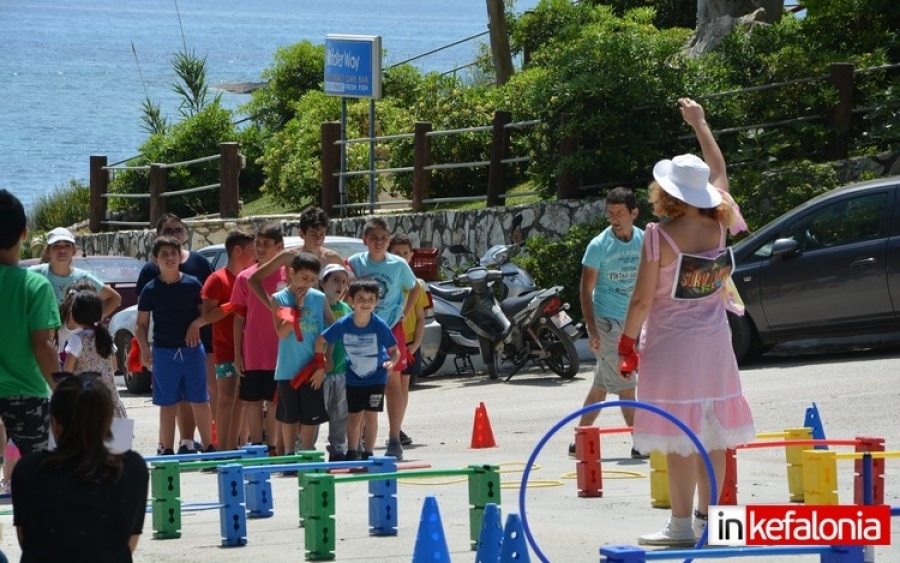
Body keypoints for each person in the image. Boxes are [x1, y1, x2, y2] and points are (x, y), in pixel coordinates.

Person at [618, 98, 754, 546]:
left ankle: (679, 527)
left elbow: (640, 300)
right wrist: (700, 123)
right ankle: (715, 525)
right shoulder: (721, 222)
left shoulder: (658, 236)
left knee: (678, 435)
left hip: (672, 346)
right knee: (713, 434)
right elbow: (717, 167)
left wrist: (626, 343)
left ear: (667, 194)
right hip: (715, 342)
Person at [11, 372, 149, 562]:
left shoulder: (28, 470)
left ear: (55, 424)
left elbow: (26, 540)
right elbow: (126, 544)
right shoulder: (132, 469)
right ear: (108, 421)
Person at [570, 187, 646, 459]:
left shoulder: (644, 241)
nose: (614, 218)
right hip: (607, 321)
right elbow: (585, 290)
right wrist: (592, 329)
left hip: (632, 321)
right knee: (627, 381)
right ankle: (640, 442)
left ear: (634, 213)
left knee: (602, 384)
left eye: (619, 213)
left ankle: (580, 437)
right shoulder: (598, 246)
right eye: (610, 212)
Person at [135, 213, 215, 454]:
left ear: (180, 256)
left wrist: (195, 325)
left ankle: (210, 446)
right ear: (155, 259)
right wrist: (145, 349)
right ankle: (167, 449)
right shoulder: (150, 288)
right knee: (167, 403)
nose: (169, 258)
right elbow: (141, 324)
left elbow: (207, 314)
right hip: (164, 351)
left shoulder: (193, 283)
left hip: (192, 350)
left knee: (200, 399)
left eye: (173, 254)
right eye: (164, 255)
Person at [346, 217, 419, 461]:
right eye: (374, 238)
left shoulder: (398, 264)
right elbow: (345, 286)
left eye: (383, 238)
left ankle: (395, 438)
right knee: (361, 381)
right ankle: (360, 441)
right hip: (362, 330)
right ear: (364, 240)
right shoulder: (356, 262)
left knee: (393, 383)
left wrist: (404, 312)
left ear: (389, 240)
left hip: (390, 328)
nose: (379, 242)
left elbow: (415, 287)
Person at [0, 190, 60, 463]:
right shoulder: (35, 285)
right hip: (27, 398)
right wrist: (62, 390)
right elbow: (42, 346)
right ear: (24, 233)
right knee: (36, 482)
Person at [319, 278, 399, 462]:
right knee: (354, 416)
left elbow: (395, 352)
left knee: (371, 415)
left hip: (376, 377)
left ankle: (368, 452)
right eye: (361, 298)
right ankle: (352, 451)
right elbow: (323, 339)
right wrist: (324, 357)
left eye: (371, 299)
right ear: (351, 300)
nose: (366, 303)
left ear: (376, 302)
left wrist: (391, 363)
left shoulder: (379, 325)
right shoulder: (344, 323)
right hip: (354, 377)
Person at [271, 252, 334, 456]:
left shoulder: (319, 297)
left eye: (312, 280)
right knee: (289, 416)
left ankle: (306, 452)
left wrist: (324, 361)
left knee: (310, 415)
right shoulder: (279, 298)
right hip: (288, 368)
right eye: (303, 278)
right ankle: (290, 452)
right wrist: (297, 308)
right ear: (291, 273)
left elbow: (332, 330)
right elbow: (281, 332)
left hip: (312, 368)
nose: (307, 284)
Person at [232, 222, 286, 456]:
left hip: (281, 351)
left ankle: (273, 445)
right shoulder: (244, 278)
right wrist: (237, 354)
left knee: (274, 401)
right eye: (258, 244)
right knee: (252, 400)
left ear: (279, 247)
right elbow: (239, 318)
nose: (261, 249)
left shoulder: (289, 275)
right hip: (253, 351)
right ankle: (256, 445)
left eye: (267, 244)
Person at [201, 229, 256, 452]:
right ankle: (221, 449)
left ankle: (234, 447)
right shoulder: (217, 280)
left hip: (248, 349)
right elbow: (208, 316)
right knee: (225, 399)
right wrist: (234, 304)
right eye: (252, 251)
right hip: (225, 348)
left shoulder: (251, 278)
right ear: (237, 250)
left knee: (242, 401)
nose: (255, 255)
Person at [386, 234, 429, 447]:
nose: (402, 257)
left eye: (405, 253)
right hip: (390, 340)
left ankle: (397, 427)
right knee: (383, 385)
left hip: (409, 343)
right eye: (396, 253)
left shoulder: (417, 285)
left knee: (403, 386)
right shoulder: (387, 281)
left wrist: (417, 344)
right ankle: (366, 428)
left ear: (412, 256)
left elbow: (421, 318)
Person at [28, 226, 122, 318]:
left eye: (67, 245)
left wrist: (92, 321)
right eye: (56, 246)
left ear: (74, 250)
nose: (62, 250)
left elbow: (115, 298)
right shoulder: (33, 274)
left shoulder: (83, 278)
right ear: (48, 251)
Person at [62, 291, 128, 419]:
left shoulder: (77, 339)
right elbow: (114, 367)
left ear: (76, 315)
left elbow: (68, 371)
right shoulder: (105, 336)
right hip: (108, 399)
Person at [318, 263, 352, 461]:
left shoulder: (346, 307)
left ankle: (338, 450)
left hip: (341, 369)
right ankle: (306, 449)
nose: (340, 285)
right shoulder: (316, 306)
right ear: (322, 283)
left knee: (340, 413)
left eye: (344, 281)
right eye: (335, 280)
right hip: (319, 371)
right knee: (314, 414)